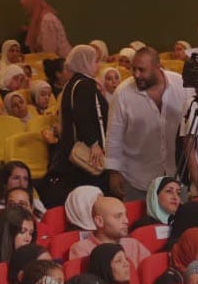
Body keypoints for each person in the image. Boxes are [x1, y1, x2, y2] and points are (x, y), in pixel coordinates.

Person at [105, 47, 190, 203]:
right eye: (134, 69)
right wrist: (113, 172)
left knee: (179, 218)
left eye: (142, 70)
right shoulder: (123, 93)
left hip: (176, 176)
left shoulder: (181, 85)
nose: (136, 74)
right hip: (137, 178)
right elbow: (114, 135)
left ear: (158, 66)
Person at [50, 44, 109, 196]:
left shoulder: (73, 83)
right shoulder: (85, 85)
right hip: (86, 149)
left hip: (72, 147)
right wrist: (94, 143)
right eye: (95, 61)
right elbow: (83, 116)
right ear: (85, 62)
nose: (98, 65)